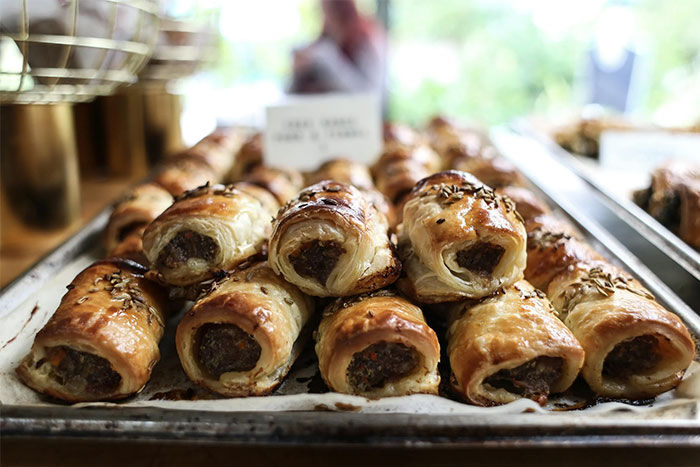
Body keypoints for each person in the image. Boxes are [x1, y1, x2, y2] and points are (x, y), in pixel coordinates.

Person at [289, 0, 386, 99]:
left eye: (330, 10)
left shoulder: (365, 38)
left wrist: (326, 58)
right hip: (325, 111)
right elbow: (291, 94)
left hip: (359, 112)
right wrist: (299, 70)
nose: (326, 17)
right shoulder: (325, 41)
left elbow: (369, 94)